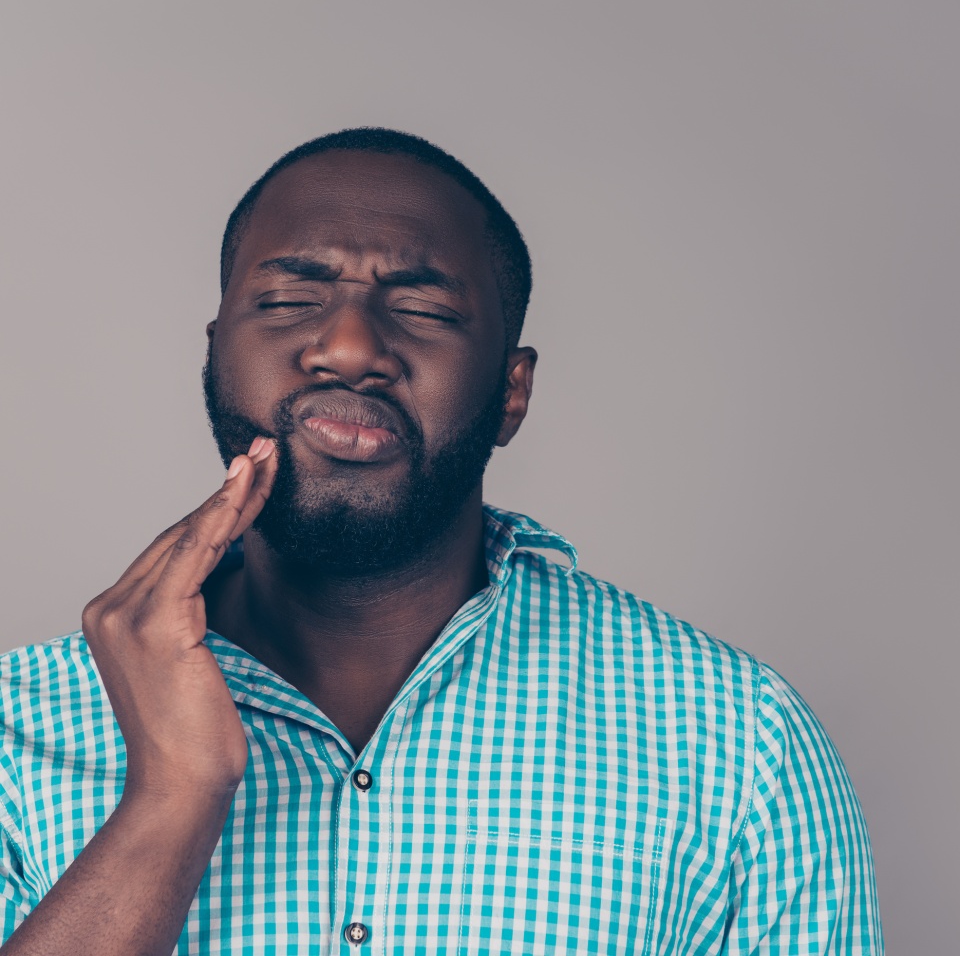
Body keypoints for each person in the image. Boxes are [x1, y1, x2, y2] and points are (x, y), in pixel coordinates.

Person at [0, 128, 882, 955]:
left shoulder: (739, 745)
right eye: (289, 299)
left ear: (512, 392)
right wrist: (168, 798)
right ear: (215, 349)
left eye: (422, 307)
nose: (346, 349)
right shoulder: (16, 732)